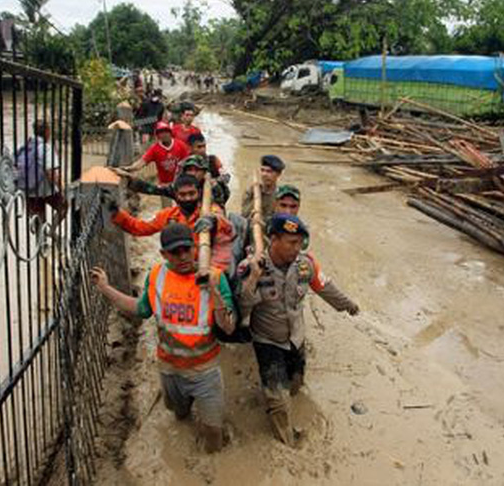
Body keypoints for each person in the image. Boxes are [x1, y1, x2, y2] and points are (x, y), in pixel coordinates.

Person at [90, 223, 235, 453]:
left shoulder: (216, 278)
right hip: (170, 370)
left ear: (195, 247)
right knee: (180, 415)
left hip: (205, 372)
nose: (183, 256)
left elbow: (228, 327)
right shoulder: (157, 275)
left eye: (187, 249)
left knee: (213, 431)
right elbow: (140, 309)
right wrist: (106, 288)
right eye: (175, 252)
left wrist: (214, 292)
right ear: (163, 254)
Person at [236, 214, 359, 446]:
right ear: (273, 239)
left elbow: (325, 287)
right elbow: (241, 305)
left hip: (295, 338)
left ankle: (283, 394)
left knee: (295, 383)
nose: (296, 248)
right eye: (291, 242)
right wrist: (253, 277)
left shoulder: (305, 265)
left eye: (300, 242)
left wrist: (348, 305)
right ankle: (285, 441)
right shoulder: (251, 267)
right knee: (278, 399)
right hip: (267, 340)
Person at [110, 174, 235, 271]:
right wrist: (116, 212)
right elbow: (140, 228)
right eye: (183, 194)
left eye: (192, 194)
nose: (187, 198)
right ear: (176, 195)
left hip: (208, 268)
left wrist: (212, 220)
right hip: (180, 270)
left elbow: (225, 223)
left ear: (199, 193)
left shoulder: (209, 211)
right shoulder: (168, 216)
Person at [121, 121, 189, 208]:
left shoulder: (180, 145)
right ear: (158, 136)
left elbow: (187, 162)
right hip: (165, 184)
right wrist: (129, 168)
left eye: (166, 131)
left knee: (182, 206)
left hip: (180, 182)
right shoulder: (155, 149)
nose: (164, 134)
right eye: (161, 132)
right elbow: (142, 162)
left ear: (170, 132)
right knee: (167, 209)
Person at [15, 120, 68, 226]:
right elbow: (51, 172)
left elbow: (15, 166)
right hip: (46, 190)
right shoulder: (46, 148)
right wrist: (62, 189)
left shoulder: (26, 146)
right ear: (48, 132)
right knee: (64, 207)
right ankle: (52, 231)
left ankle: (41, 240)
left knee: (38, 220)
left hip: (29, 190)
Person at [128, 155, 231, 208]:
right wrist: (131, 181)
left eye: (197, 170)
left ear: (204, 172)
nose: (193, 173)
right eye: (189, 170)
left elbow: (218, 209)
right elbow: (155, 189)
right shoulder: (179, 186)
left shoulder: (213, 187)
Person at [241, 155, 285, 223]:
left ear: (278, 174)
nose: (264, 174)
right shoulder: (251, 191)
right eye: (262, 170)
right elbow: (244, 215)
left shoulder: (281, 195)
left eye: (269, 171)